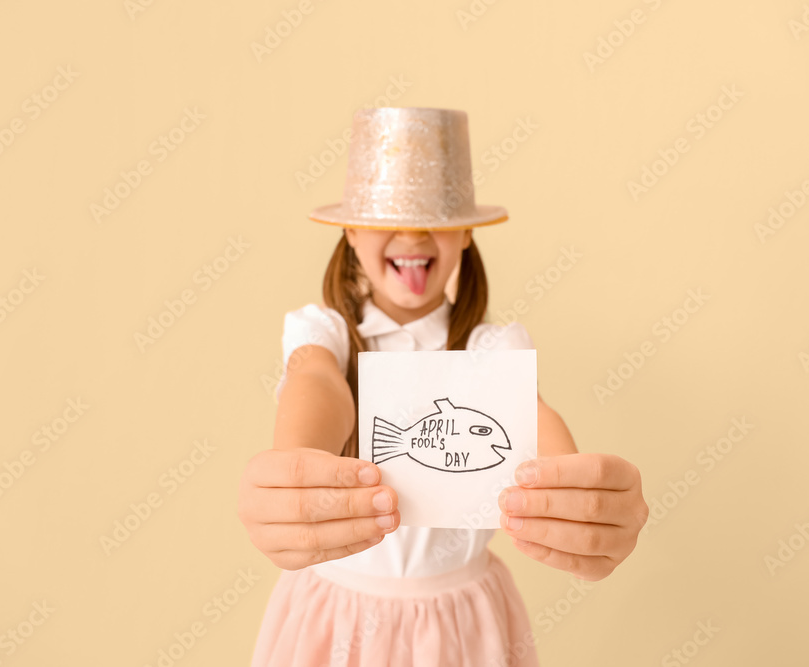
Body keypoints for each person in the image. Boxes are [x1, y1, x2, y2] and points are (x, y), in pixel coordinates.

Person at [239, 107, 649, 666]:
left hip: (463, 623)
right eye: (387, 217)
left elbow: (529, 418)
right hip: (334, 618)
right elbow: (316, 379)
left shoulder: (490, 350)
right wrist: (294, 466)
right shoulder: (326, 334)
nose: (412, 235)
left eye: (435, 216)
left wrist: (580, 507)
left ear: (464, 233)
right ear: (352, 231)